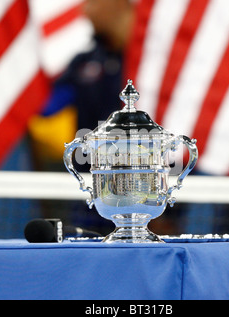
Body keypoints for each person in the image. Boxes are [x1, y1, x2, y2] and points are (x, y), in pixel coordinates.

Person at [28, 0, 136, 235]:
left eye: (94, 3)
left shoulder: (145, 62)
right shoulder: (84, 63)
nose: (85, 10)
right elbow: (45, 107)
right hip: (91, 186)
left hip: (141, 186)